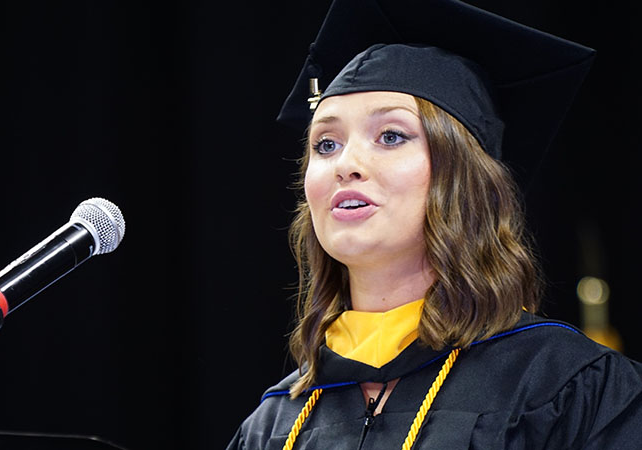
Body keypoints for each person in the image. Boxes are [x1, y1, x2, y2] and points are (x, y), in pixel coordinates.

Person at [227, 0, 642, 449]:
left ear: (466, 180)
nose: (345, 164)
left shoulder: (569, 386)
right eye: (325, 144)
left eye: (391, 136)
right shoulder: (273, 426)